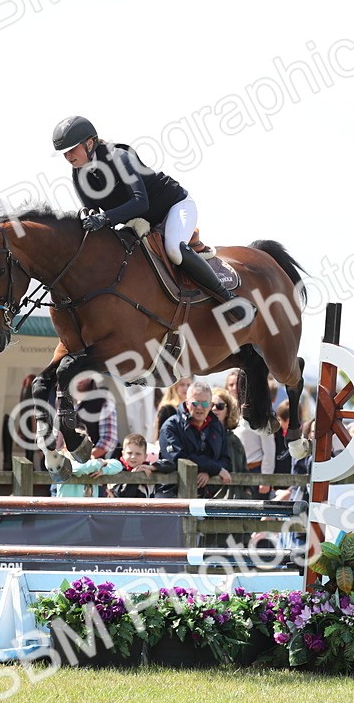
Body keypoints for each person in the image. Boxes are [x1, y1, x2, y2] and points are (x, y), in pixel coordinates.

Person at [53, 115, 252, 324]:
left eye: (71, 149)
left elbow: (140, 202)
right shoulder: (78, 175)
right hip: (142, 224)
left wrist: (105, 218)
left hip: (174, 207)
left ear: (90, 143)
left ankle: (229, 299)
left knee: (174, 249)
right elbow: (93, 213)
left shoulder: (119, 156)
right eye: (64, 152)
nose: (68, 156)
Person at [156, 380, 232, 498]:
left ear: (211, 405)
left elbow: (226, 460)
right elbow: (179, 458)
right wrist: (214, 468)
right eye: (195, 403)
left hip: (208, 497)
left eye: (205, 404)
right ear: (186, 403)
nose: (200, 408)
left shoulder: (217, 426)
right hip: (172, 495)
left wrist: (208, 472)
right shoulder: (170, 427)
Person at [225, 368, 275, 497]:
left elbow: (269, 449)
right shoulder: (223, 411)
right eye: (231, 385)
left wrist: (265, 478)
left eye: (238, 384)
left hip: (255, 470)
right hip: (231, 471)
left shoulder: (257, 411)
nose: (235, 388)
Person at [211, 387, 249, 499]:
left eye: (220, 406)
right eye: (211, 405)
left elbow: (244, 469)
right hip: (212, 499)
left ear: (228, 411)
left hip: (237, 500)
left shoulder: (235, 441)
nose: (214, 409)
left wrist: (247, 492)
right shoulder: (202, 436)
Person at [110, 432, 157, 499]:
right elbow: (123, 497)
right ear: (123, 454)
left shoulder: (147, 468)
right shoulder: (116, 469)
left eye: (138, 454)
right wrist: (135, 476)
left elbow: (170, 465)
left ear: (145, 456)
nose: (133, 457)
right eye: (129, 453)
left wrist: (153, 467)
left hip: (148, 507)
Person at [151, 377, 191, 443]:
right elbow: (161, 434)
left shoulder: (191, 408)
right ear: (174, 387)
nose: (185, 388)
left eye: (188, 385)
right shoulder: (168, 409)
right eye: (182, 385)